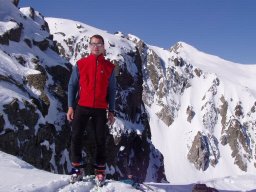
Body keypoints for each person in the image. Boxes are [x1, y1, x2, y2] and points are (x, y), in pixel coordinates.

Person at [67, 34, 116, 184]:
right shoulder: (81, 64)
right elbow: (72, 85)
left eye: (99, 44)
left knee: (100, 139)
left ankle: (100, 171)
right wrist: (70, 106)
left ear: (103, 47)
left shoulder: (109, 67)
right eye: (93, 44)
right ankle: (77, 169)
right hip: (82, 106)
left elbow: (112, 90)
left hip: (100, 109)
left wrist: (112, 111)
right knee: (76, 137)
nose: (96, 46)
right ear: (89, 46)